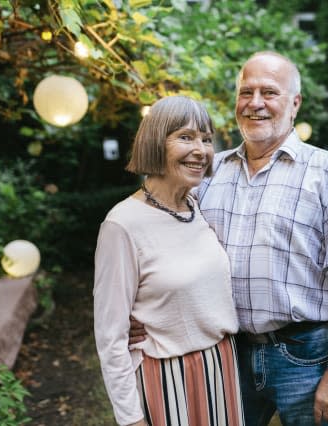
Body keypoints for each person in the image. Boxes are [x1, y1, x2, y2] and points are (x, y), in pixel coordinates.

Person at [131, 51, 328, 426]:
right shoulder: (209, 173)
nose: (255, 103)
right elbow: (167, 248)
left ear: (294, 104)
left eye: (269, 92)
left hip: (304, 356)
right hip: (227, 353)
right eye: (246, 92)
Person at [93, 96, 244, 426]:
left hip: (221, 369)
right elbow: (110, 337)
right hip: (167, 380)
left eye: (206, 139)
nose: (202, 150)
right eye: (186, 137)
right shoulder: (122, 224)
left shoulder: (196, 206)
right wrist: (131, 418)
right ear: (154, 143)